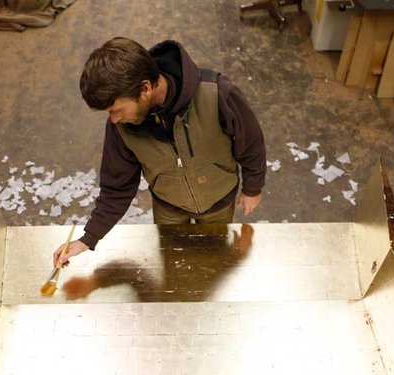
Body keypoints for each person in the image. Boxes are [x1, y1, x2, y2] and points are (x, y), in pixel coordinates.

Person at [54, 37, 266, 266]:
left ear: (145, 88)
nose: (114, 119)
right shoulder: (120, 128)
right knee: (174, 263)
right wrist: (88, 238)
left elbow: (251, 141)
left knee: (214, 259)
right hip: (168, 208)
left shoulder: (216, 93)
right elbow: (116, 188)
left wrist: (252, 187)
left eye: (116, 109)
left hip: (219, 202)